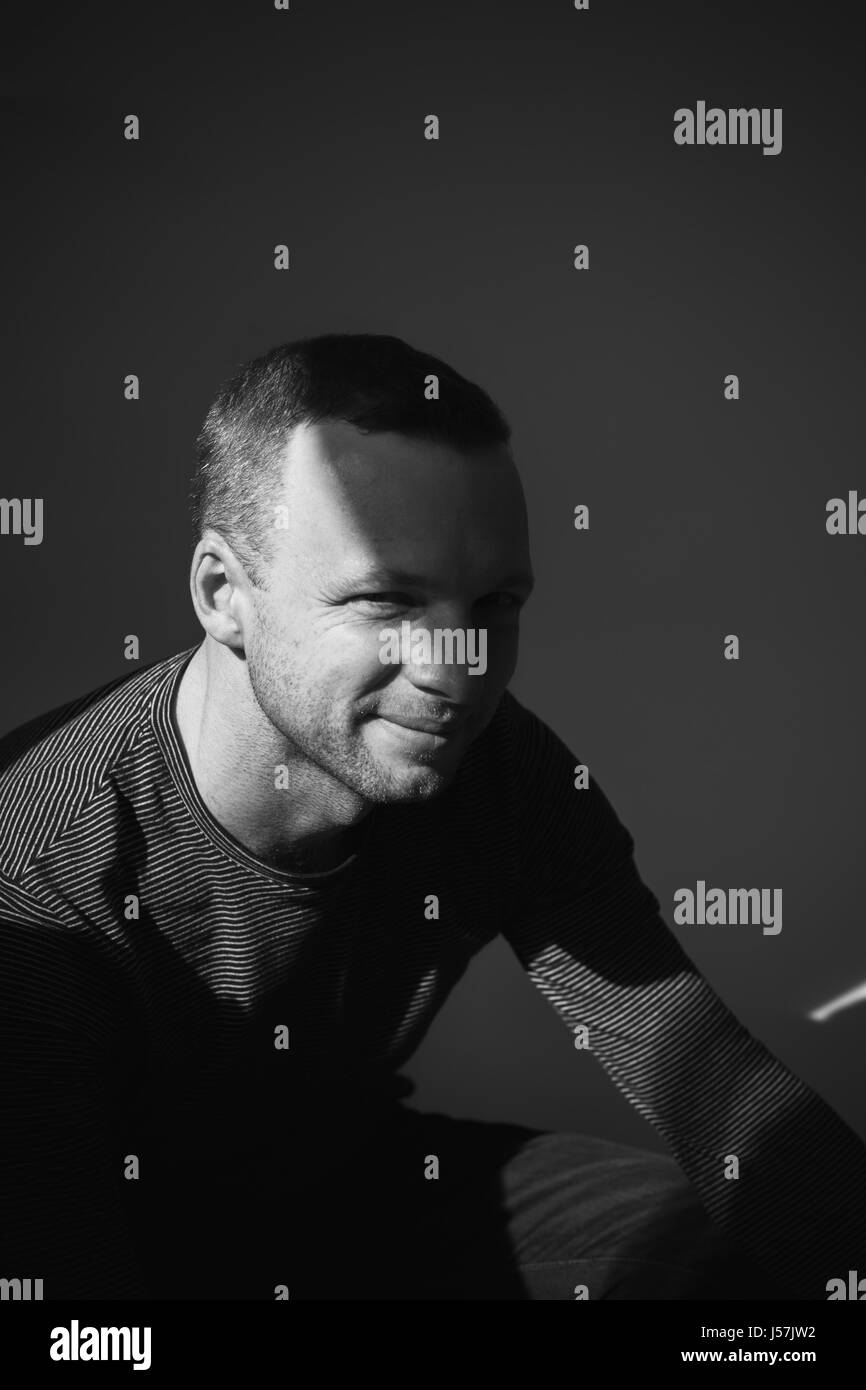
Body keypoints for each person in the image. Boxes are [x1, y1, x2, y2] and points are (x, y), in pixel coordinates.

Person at [1, 333, 863, 1300]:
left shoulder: (502, 774)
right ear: (221, 595)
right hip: (115, 1239)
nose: (457, 672)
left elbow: (699, 1073)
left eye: (493, 604)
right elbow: (56, 1272)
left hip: (347, 1191)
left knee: (716, 1248)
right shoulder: (37, 861)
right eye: (384, 599)